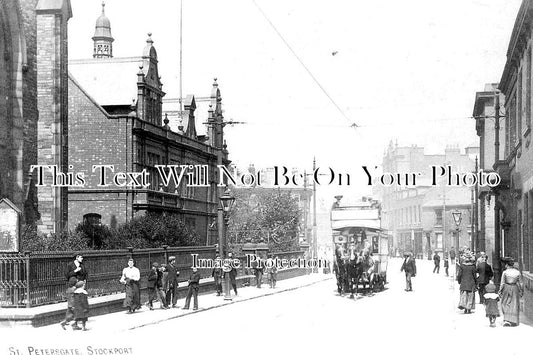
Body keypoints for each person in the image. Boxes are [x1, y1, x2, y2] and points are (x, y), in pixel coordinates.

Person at [499, 258, 524, 326]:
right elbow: (521, 283)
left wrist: (500, 291)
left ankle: (507, 319)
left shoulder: (505, 272)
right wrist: (521, 291)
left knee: (505, 303)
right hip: (515, 288)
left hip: (506, 287)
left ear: (507, 265)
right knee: (514, 303)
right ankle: (513, 320)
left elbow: (502, 283)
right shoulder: (517, 272)